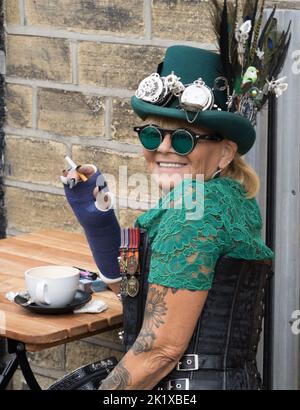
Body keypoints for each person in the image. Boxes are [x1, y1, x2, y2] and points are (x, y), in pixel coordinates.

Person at [60, 2, 290, 390]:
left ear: (225, 151)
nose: (164, 148)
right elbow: (135, 295)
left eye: (184, 138)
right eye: (153, 134)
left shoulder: (194, 212)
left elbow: (159, 351)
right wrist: (98, 218)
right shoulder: (223, 198)